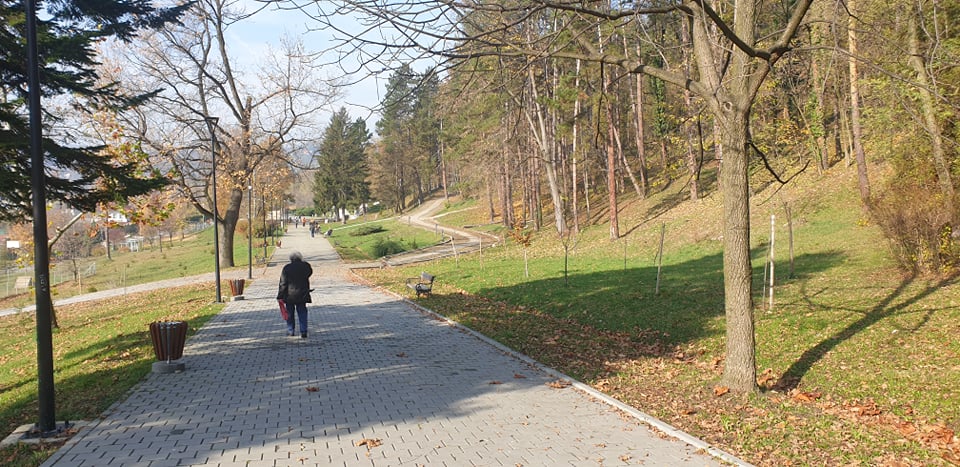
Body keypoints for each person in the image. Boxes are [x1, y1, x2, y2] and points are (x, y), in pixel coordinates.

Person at [277, 251, 313, 338]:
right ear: (300, 258)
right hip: (302, 293)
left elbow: (283, 283)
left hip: (289, 295)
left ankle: (291, 330)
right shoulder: (305, 266)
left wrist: (280, 295)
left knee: (289, 313)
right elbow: (309, 273)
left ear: (291, 259)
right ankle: (303, 331)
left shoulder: (287, 268)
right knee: (302, 312)